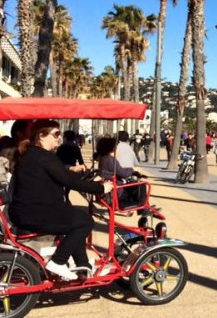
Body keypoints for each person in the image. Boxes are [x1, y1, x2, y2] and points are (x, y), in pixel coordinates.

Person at [8, 119, 112, 281]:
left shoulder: (32, 154)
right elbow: (68, 181)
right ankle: (58, 261)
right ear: (41, 137)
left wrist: (85, 176)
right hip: (35, 213)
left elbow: (64, 175)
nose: (59, 138)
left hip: (26, 210)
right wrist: (101, 188)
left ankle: (83, 266)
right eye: (56, 134)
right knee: (85, 222)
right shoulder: (44, 157)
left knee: (76, 219)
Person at [96, 137, 144, 210]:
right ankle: (143, 208)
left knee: (132, 184)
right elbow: (123, 173)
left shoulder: (103, 158)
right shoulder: (110, 160)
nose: (118, 150)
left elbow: (118, 171)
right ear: (111, 149)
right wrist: (133, 169)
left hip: (108, 189)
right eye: (116, 148)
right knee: (141, 185)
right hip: (116, 192)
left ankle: (143, 208)